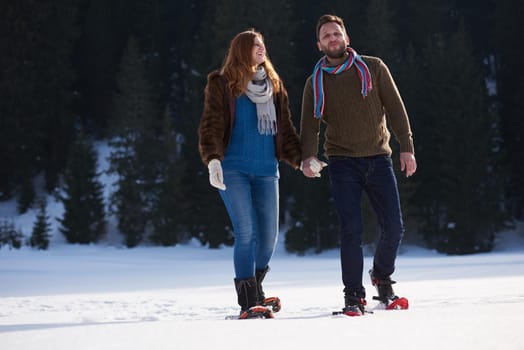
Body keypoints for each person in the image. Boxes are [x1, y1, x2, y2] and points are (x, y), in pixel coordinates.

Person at [299, 14, 417, 316]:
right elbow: (309, 127)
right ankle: (353, 296)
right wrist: (307, 158)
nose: (332, 38)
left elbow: (396, 108)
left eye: (336, 33)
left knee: (394, 227)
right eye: (326, 35)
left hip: (378, 158)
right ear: (319, 45)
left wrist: (407, 148)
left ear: (347, 39)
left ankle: (382, 278)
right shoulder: (315, 83)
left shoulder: (374, 68)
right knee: (351, 230)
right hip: (341, 162)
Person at [198, 30, 301, 319]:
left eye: (263, 45)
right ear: (241, 49)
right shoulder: (222, 84)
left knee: (269, 238)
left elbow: (286, 130)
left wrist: (302, 160)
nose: (261, 49)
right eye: (255, 45)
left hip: (267, 170)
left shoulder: (274, 86)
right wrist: (213, 160)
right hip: (233, 169)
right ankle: (248, 301)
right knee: (247, 233)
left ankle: (256, 290)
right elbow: (211, 125)